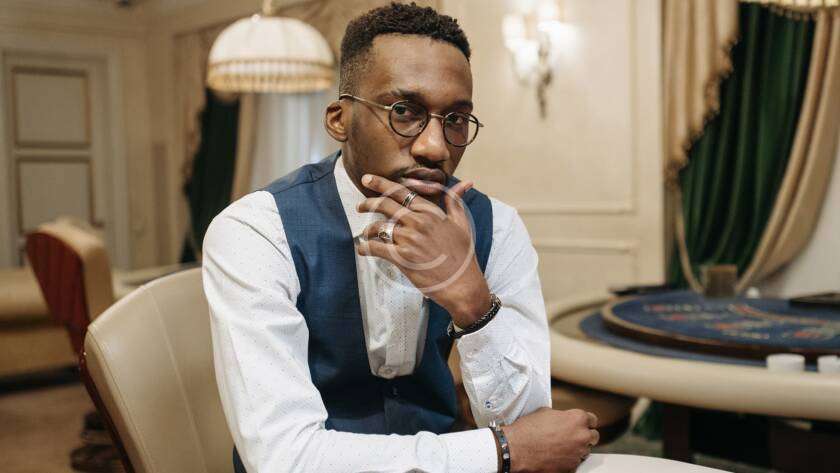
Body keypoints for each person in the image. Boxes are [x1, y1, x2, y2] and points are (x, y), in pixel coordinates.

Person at [202, 3, 598, 472]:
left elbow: (532, 429)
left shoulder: (497, 225)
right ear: (339, 119)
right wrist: (499, 452)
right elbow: (283, 459)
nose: (435, 147)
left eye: (455, 119)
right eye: (404, 111)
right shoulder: (256, 231)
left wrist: (472, 302)